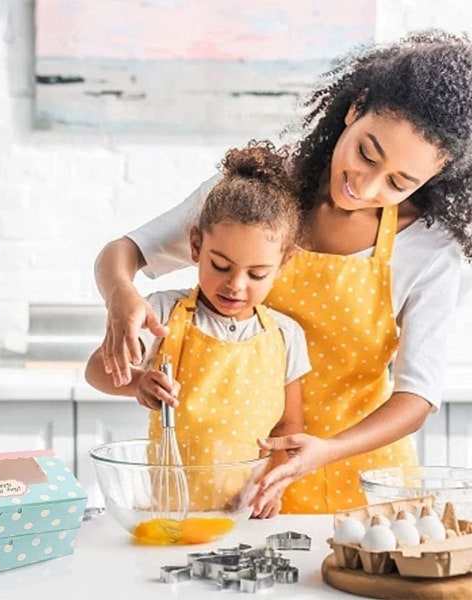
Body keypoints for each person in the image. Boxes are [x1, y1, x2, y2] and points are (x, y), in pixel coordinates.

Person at [92, 30, 472, 515]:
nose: (365, 184)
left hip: (364, 483)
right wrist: (120, 294)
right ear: (354, 110)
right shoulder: (255, 197)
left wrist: (327, 449)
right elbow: (124, 252)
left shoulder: (429, 249)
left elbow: (417, 395)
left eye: (399, 182)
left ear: (433, 177)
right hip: (237, 482)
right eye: (366, 154)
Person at [85, 141, 311, 518]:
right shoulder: (164, 314)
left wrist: (274, 483)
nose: (235, 285)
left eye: (257, 274)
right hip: (170, 512)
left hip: (246, 517)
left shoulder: (287, 336)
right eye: (220, 265)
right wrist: (137, 381)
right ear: (195, 246)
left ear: (283, 264)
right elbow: (96, 371)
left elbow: (289, 425)